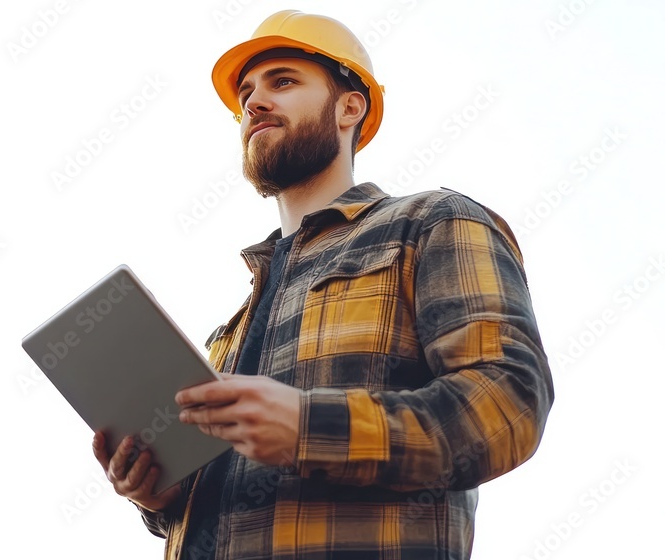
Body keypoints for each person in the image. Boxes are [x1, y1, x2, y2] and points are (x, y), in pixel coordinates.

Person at [92, 10, 554, 559]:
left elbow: (508, 404)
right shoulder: (228, 334)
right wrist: (160, 497)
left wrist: (310, 427)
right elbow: (211, 500)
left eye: (282, 81)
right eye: (246, 93)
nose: (254, 102)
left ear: (349, 107)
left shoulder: (431, 223)